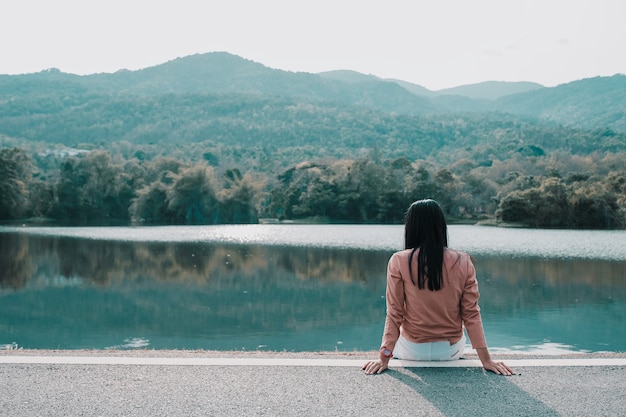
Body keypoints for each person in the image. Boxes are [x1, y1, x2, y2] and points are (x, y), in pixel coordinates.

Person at [363, 199, 514, 376]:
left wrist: (384, 358)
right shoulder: (463, 260)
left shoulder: (399, 260)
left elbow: (395, 313)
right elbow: (470, 313)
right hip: (449, 352)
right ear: (441, 226)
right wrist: (486, 360)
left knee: (401, 336)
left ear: (410, 226)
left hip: (412, 350)